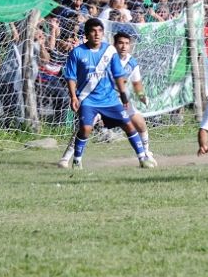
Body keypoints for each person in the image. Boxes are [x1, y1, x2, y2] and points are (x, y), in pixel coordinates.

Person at [63, 18, 154, 169]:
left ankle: (143, 158)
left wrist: (124, 95)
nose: (97, 34)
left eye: (99, 31)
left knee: (129, 125)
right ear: (86, 34)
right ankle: (76, 160)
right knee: (85, 128)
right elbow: (71, 76)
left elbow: (118, 75)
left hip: (110, 99)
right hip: (88, 99)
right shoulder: (77, 52)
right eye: (93, 31)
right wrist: (73, 96)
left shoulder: (110, 51)